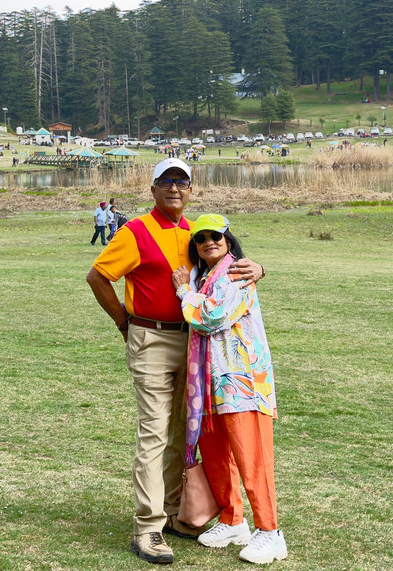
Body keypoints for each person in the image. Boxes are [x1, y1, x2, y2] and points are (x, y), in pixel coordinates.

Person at [86, 158, 264, 565]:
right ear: (152, 190)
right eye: (166, 182)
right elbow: (98, 276)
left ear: (190, 190)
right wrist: (122, 323)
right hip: (150, 337)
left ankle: (171, 511)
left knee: (182, 430)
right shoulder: (135, 231)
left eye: (181, 182)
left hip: (192, 342)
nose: (174, 189)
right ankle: (147, 527)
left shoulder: (193, 234)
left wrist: (259, 268)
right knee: (153, 431)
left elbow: (225, 268)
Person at [172, 214, 287, 564]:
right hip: (207, 384)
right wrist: (191, 288)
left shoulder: (237, 272)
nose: (209, 241)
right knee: (217, 454)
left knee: (252, 458)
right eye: (201, 237)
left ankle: (270, 532)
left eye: (216, 236)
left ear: (228, 239)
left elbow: (213, 316)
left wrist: (183, 292)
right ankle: (232, 518)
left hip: (241, 382)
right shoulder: (202, 276)